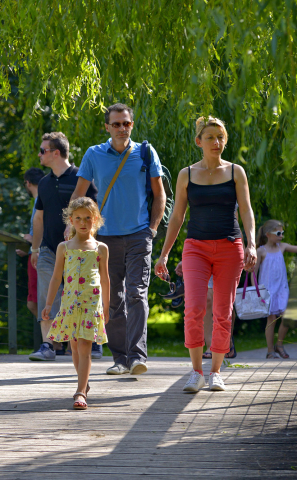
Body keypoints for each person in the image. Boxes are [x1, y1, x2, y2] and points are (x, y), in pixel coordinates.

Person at [155, 115, 257, 392]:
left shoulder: (236, 172)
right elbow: (176, 217)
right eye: (210, 137)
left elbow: (246, 209)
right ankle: (196, 372)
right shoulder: (186, 174)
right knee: (194, 309)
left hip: (230, 247)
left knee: (223, 312)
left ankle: (215, 373)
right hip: (196, 247)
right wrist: (164, 254)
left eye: (221, 137)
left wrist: (251, 243)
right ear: (199, 141)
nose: (217, 142)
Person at [70, 103, 166, 376]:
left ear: (132, 125)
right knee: (112, 299)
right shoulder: (94, 154)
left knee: (136, 294)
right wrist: (75, 229)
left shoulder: (145, 153)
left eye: (126, 123)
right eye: (116, 124)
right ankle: (120, 358)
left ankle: (137, 356)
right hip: (105, 238)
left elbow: (160, 195)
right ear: (107, 127)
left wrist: (152, 228)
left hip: (139, 235)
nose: (122, 128)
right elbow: (79, 197)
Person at [29, 132, 98, 361]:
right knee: (46, 294)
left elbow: (95, 213)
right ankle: (48, 344)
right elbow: (38, 218)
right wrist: (36, 249)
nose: (39, 154)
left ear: (55, 152)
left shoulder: (81, 178)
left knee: (81, 294)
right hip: (49, 249)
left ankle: (90, 341)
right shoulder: (44, 183)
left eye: (42, 150)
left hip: (79, 249)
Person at [43, 197, 110, 409]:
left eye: (87, 218)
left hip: (91, 305)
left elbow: (106, 279)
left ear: (96, 220)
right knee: (74, 348)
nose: (83, 222)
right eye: (78, 218)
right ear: (71, 220)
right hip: (70, 305)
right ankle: (85, 381)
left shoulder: (101, 248)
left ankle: (80, 392)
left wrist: (106, 307)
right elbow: (55, 278)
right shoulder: (64, 247)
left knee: (84, 346)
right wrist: (48, 304)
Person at [253, 220, 297, 359]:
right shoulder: (261, 251)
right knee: (271, 320)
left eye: (282, 233)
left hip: (282, 290)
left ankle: (279, 344)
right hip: (268, 291)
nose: (281, 236)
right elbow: (253, 272)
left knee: (288, 317)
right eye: (278, 233)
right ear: (268, 234)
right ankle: (270, 350)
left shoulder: (282, 247)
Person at [16, 167, 45, 319]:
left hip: (40, 258)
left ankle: (54, 341)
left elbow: (45, 233)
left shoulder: (39, 202)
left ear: (28, 183)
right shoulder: (46, 199)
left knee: (34, 303)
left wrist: (31, 240)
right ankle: (55, 341)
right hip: (39, 254)